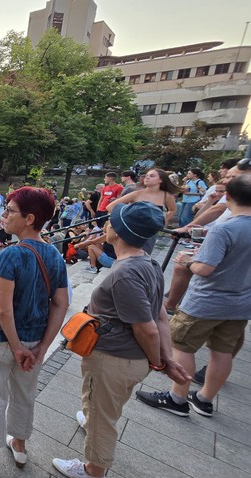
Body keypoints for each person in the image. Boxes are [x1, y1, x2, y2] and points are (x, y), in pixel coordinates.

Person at [51, 202, 191, 478]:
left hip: (114, 359)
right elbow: (160, 315)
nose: (106, 224)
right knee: (104, 405)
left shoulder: (124, 273)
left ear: (119, 230)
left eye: (111, 221)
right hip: (128, 359)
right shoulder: (148, 262)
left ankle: (93, 470)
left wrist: (159, 362)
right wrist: (166, 359)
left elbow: (148, 327)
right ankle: (92, 420)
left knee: (104, 421)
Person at [0, 187, 68, 477]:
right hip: (35, 339)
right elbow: (61, 303)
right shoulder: (54, 255)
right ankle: (19, 447)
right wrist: (42, 347)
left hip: (1, 339)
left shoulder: (10, 255)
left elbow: (4, 309)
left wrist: (16, 346)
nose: (3, 215)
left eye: (9, 210)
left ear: (30, 218)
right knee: (24, 394)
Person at [137, 174, 251, 420]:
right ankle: (205, 399)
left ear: (228, 196)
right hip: (241, 303)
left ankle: (177, 397)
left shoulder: (225, 228)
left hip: (207, 300)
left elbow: (205, 268)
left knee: (182, 346)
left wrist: (188, 262)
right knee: (222, 352)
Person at [106, 168, 180, 254]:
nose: (147, 178)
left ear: (161, 180)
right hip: (132, 230)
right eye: (146, 176)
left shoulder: (166, 195)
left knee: (145, 254)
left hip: (150, 231)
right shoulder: (137, 194)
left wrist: (163, 220)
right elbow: (110, 207)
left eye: (152, 176)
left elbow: (172, 209)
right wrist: (128, 215)